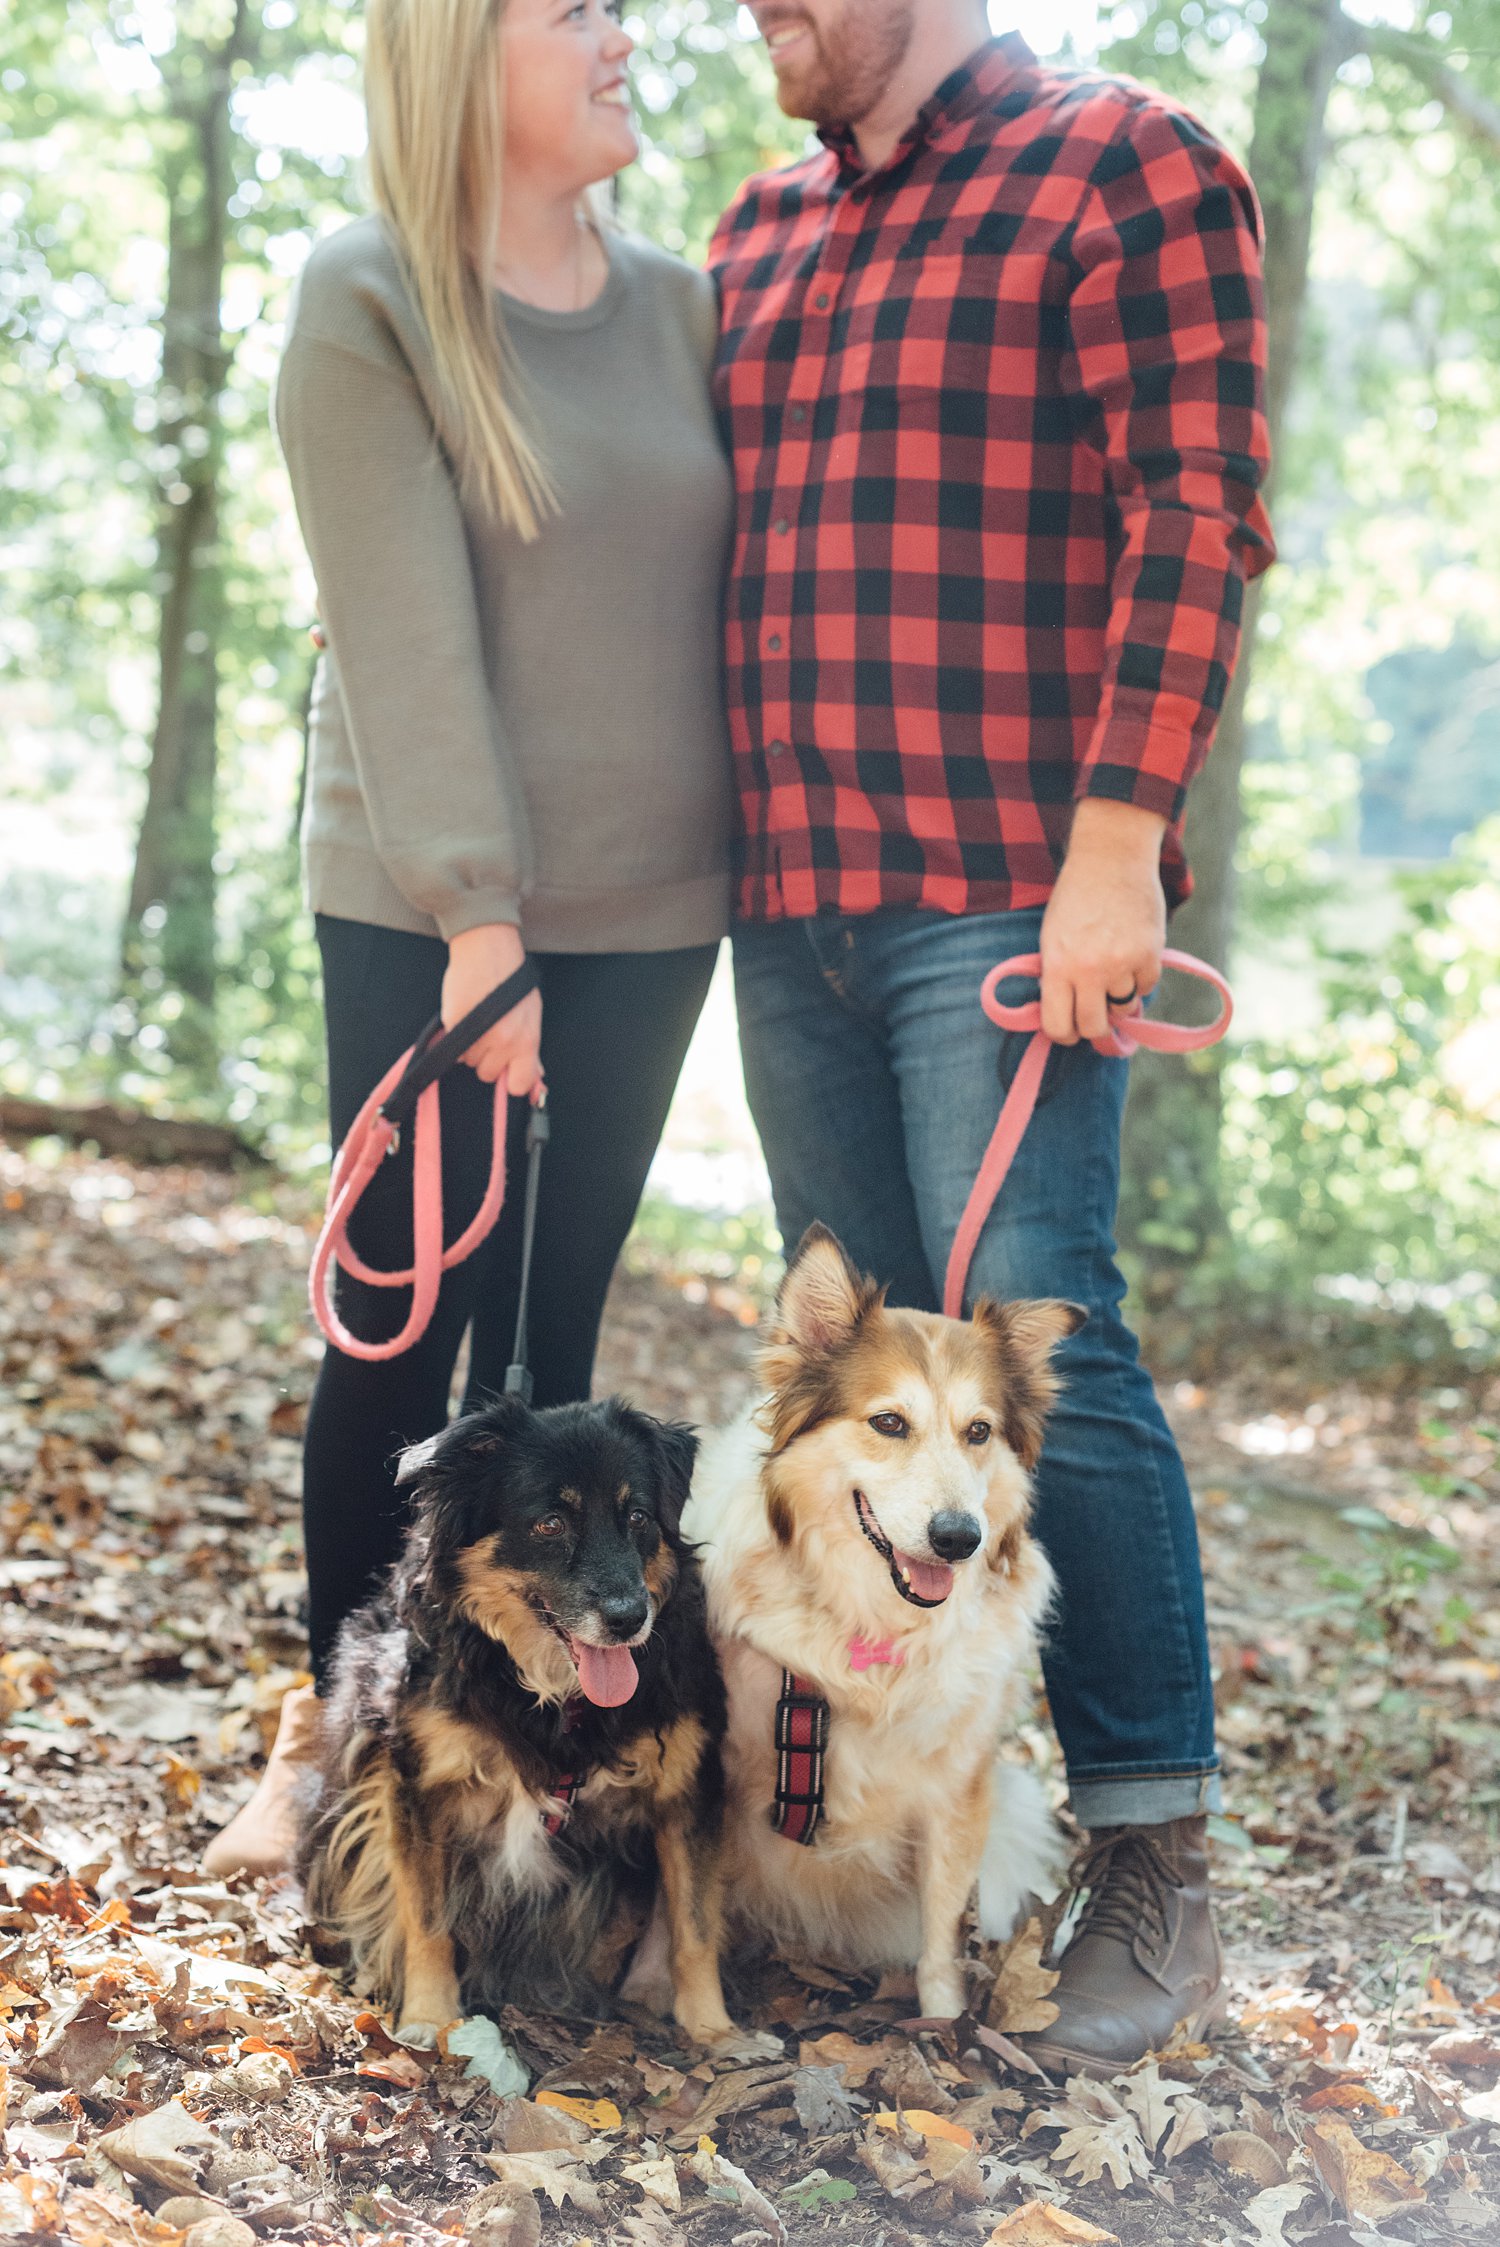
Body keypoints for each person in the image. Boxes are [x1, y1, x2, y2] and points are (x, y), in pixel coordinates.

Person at [711, 0, 1274, 2071]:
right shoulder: (756, 236)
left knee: (1039, 1333)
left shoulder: (1123, 163)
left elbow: (1197, 510)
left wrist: (1118, 843)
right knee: (865, 1395)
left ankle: (1154, 1851)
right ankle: (879, 1838)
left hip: (1007, 901)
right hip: (789, 905)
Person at [205, 0, 733, 1877]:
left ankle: (505, 1761)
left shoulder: (688, 306)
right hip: (432, 913)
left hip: (656, 915)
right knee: (403, 1332)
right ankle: (335, 1741)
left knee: (548, 1362)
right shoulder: (373, 296)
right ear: (464, 49)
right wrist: (478, 920)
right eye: (581, 11)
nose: (626, 38)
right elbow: (405, 632)